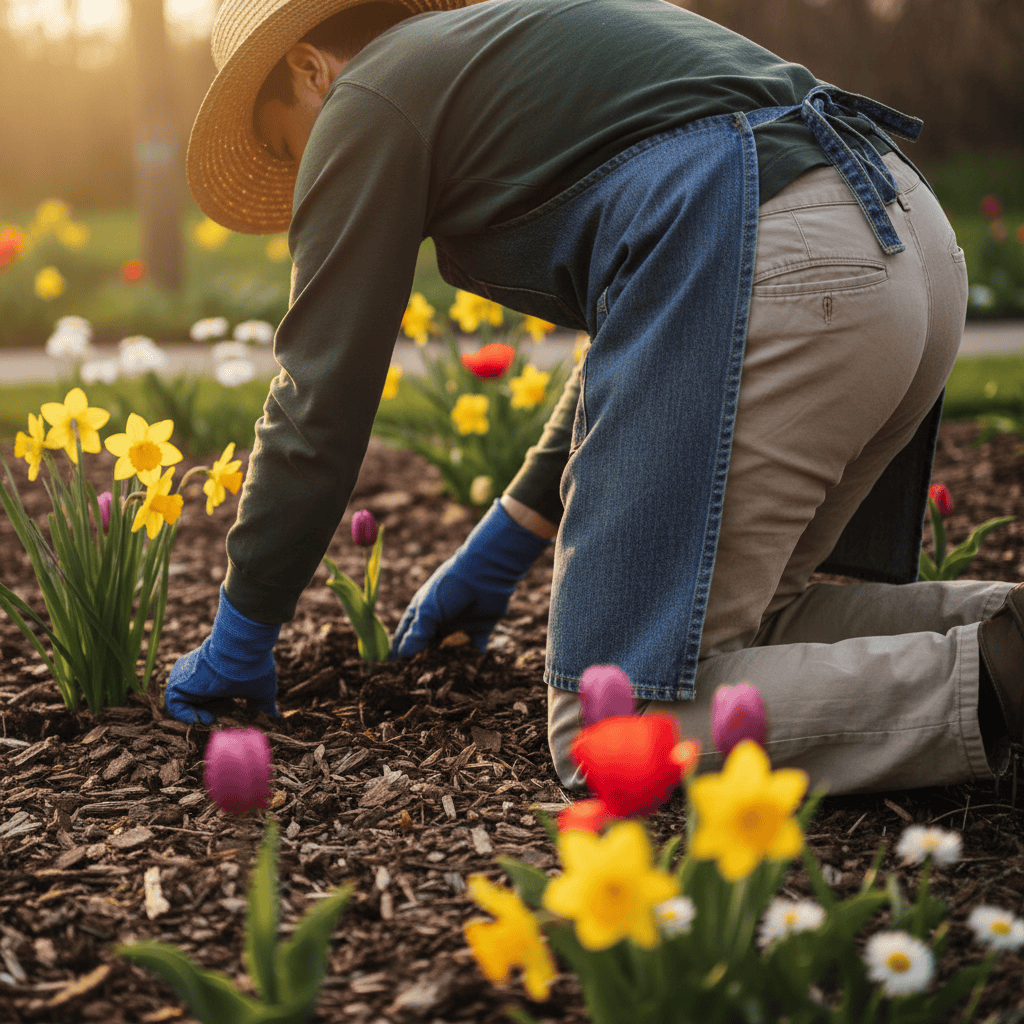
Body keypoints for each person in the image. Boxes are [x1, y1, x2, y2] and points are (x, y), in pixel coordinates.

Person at [168, 0, 1022, 797]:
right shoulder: (502, 48)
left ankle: (998, 687)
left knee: (613, 718)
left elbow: (322, 391)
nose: (302, 175)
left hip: (781, 255)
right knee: (740, 631)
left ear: (311, 69)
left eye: (288, 148)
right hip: (905, 231)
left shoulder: (365, 95)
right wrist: (502, 544)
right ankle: (1005, 632)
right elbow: (646, 327)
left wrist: (243, 633)